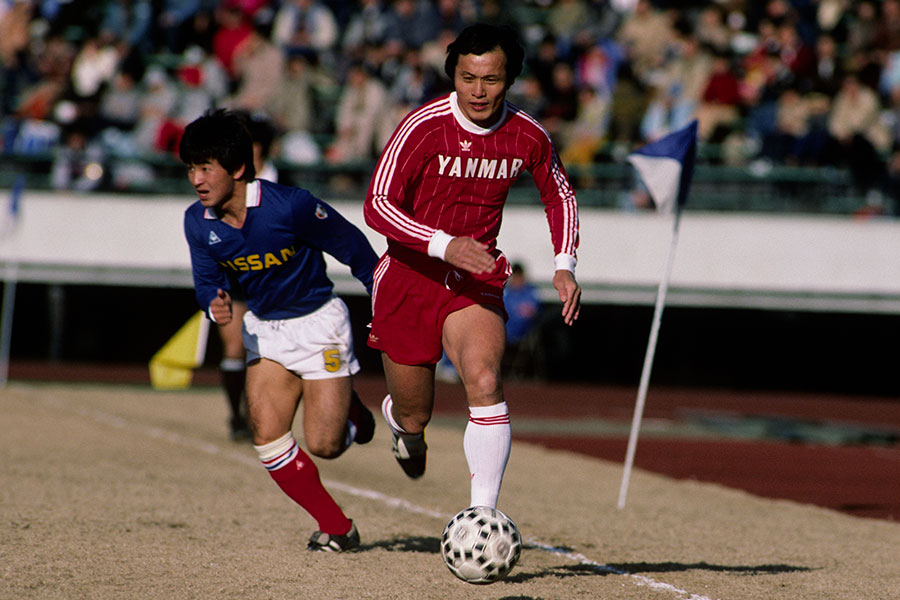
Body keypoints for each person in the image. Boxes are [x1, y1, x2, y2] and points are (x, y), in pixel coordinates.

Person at [363, 23, 581, 511]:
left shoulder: (527, 134)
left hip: (474, 278)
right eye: (467, 78)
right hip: (408, 278)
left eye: (491, 79)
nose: (478, 91)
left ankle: (481, 516)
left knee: (484, 380)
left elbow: (560, 194)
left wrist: (564, 265)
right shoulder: (422, 125)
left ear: (510, 80)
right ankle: (404, 429)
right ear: (453, 76)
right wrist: (443, 244)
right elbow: (377, 204)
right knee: (417, 413)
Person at [180, 109, 378, 552]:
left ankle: (354, 412)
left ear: (236, 168)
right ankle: (339, 529)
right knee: (267, 437)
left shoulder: (292, 206)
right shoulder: (198, 223)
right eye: (191, 168)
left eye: (205, 167)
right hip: (267, 333)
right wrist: (212, 301)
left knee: (325, 446)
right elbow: (205, 280)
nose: (196, 178)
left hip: (319, 326)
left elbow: (356, 248)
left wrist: (383, 304)